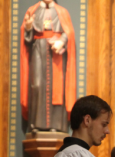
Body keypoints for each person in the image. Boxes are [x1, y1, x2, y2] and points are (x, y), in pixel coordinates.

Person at [20, 0, 77, 133]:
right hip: (37, 51)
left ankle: (57, 126)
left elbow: (69, 33)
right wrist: (28, 28)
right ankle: (36, 125)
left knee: (56, 89)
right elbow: (27, 39)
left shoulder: (62, 12)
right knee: (37, 86)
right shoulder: (32, 11)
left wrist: (61, 41)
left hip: (56, 55)